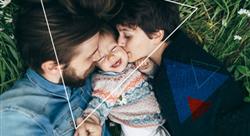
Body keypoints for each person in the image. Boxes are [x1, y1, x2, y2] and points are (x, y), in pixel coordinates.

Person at [111, 0, 250, 135]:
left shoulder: (176, 75)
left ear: (156, 35)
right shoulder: (181, 50)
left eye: (127, 36)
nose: (119, 42)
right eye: (118, 34)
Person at [0, 1, 109, 136]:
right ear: (52, 67)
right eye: (90, 56)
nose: (99, 57)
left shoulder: (80, 73)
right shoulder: (18, 119)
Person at [81, 24, 167, 136]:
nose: (111, 57)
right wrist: (92, 118)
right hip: (134, 126)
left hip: (155, 118)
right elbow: (101, 102)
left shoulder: (132, 63)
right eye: (102, 58)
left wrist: (149, 68)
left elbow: (156, 78)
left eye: (114, 48)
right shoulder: (106, 80)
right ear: (96, 66)